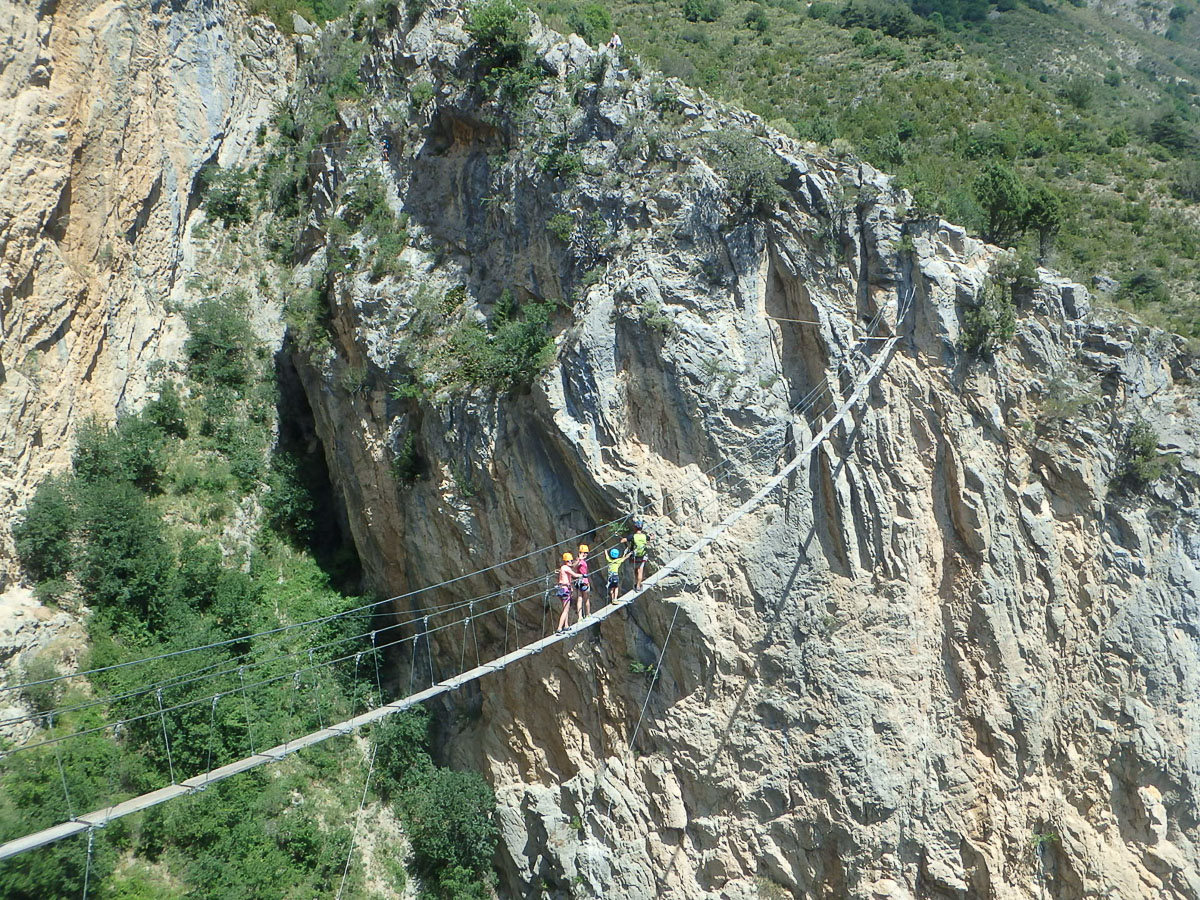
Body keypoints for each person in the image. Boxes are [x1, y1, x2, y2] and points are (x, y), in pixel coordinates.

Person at [622, 518, 651, 590]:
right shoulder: (645, 536)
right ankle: (638, 585)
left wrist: (623, 539)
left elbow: (623, 541)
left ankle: (636, 583)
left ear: (635, 527)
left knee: (636, 570)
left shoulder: (633, 536)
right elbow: (650, 538)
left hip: (634, 557)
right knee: (640, 570)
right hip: (642, 556)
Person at [556, 552, 581, 632]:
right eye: (570, 561)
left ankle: (566, 625)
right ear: (567, 561)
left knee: (565, 609)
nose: (571, 562)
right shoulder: (566, 568)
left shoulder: (563, 568)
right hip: (565, 590)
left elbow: (572, 567)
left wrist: (578, 560)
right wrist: (583, 575)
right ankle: (559, 628)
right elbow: (575, 575)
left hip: (563, 589)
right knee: (566, 610)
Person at [575, 544, 592, 619]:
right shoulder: (580, 561)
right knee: (586, 598)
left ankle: (580, 617)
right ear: (580, 553)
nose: (585, 554)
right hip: (584, 581)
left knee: (580, 598)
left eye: (586, 553)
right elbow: (574, 566)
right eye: (584, 552)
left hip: (579, 581)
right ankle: (588, 614)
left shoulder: (580, 561)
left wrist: (579, 559)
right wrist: (579, 559)